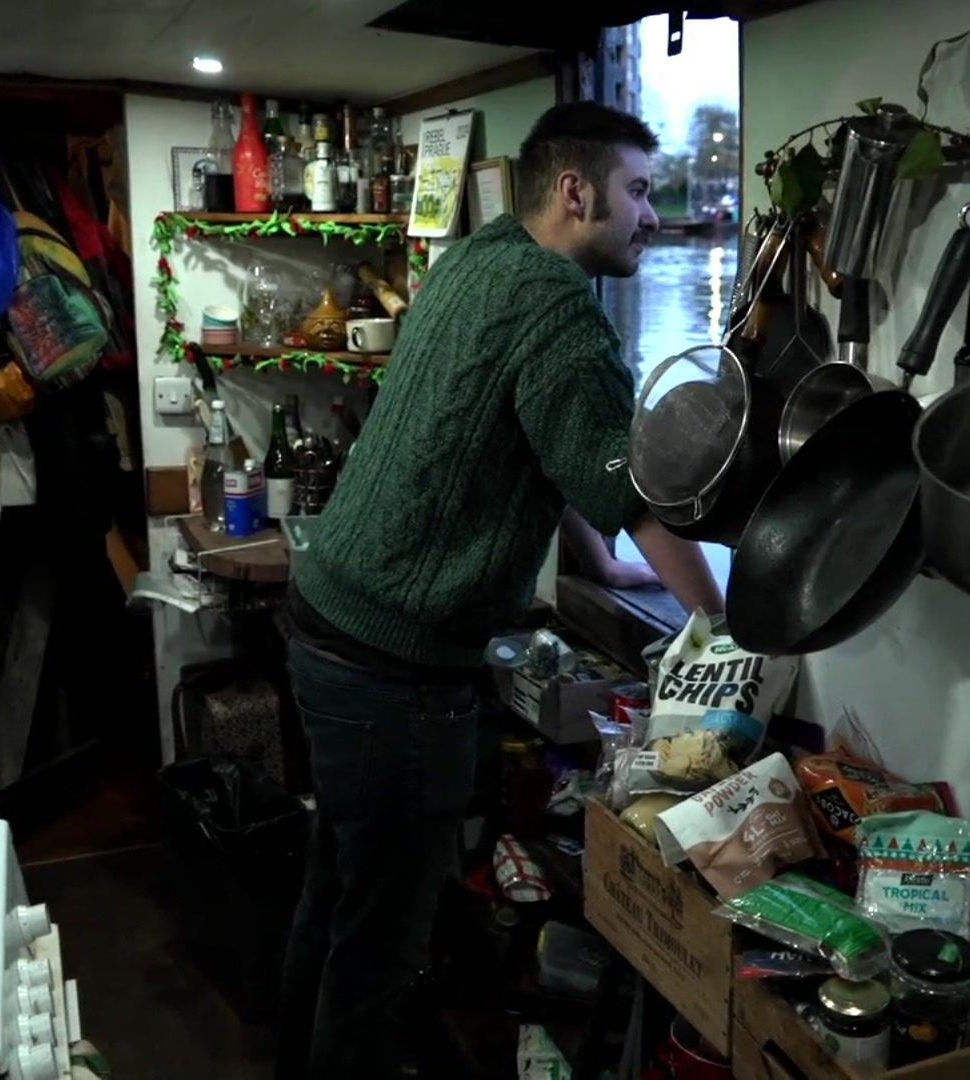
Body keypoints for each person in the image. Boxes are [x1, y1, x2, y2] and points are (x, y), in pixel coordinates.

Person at [277, 101, 724, 1077]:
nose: (652, 215)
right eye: (639, 191)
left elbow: (546, 444)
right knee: (382, 942)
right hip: (393, 670)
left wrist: (601, 568)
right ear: (577, 191)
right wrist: (721, 625)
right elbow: (634, 488)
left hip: (326, 624)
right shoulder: (561, 309)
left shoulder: (482, 257)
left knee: (338, 889)